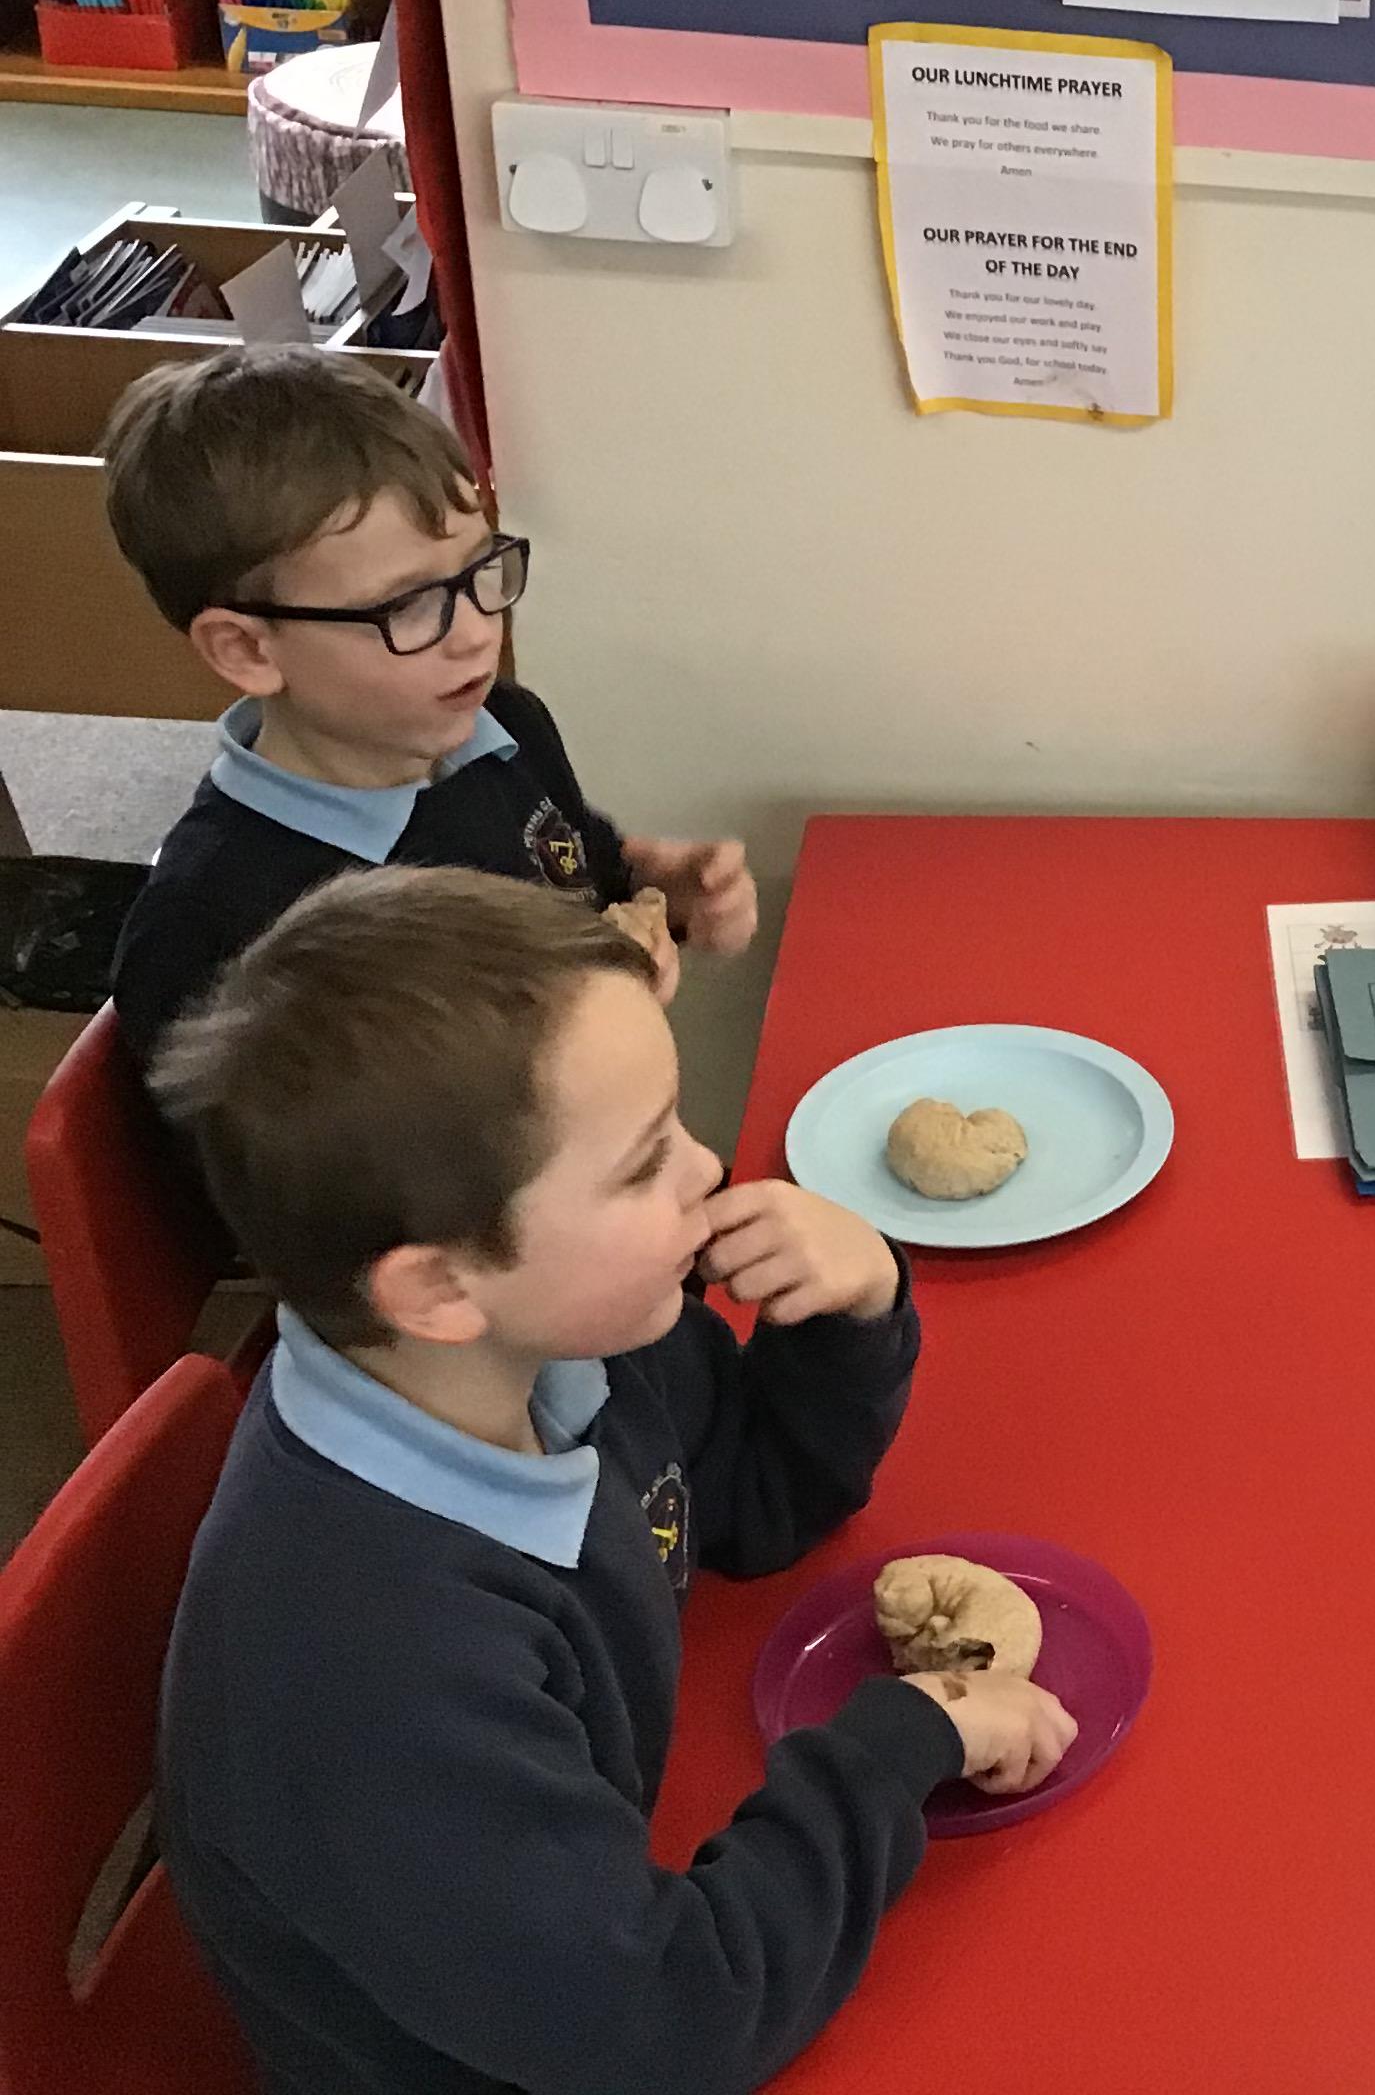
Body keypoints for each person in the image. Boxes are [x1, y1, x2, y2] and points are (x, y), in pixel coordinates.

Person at [152, 868, 1078, 2094]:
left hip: (587, 1911)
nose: (707, 1169)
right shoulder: (366, 1665)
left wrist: (848, 1314)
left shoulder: (558, 1349)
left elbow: (749, 1506)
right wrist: (899, 1747)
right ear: (437, 1286)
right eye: (645, 1164)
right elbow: (669, 2029)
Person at [99, 345, 757, 1069]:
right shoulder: (215, 935)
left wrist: (662, 888)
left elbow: (584, 875)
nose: (477, 633)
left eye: (479, 569)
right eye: (408, 605)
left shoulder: (503, 728)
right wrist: (580, 1039)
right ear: (248, 651)